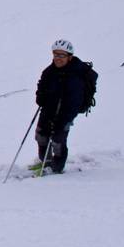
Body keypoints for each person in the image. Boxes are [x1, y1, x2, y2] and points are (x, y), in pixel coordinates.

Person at [33, 39, 90, 174]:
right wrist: (40, 96)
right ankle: (45, 163)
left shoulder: (75, 76)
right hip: (48, 109)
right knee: (41, 135)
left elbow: (75, 101)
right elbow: (41, 85)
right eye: (55, 54)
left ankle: (57, 168)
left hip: (65, 114)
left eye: (61, 55)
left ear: (69, 57)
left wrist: (65, 119)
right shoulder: (49, 71)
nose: (58, 58)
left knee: (58, 141)